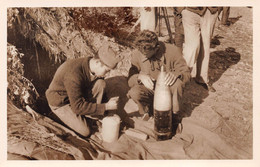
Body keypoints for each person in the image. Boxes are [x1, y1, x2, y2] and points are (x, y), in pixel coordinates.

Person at [45, 43, 121, 137]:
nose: (106, 74)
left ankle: (89, 115)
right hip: (60, 102)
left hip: (75, 96)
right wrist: (106, 107)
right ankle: (55, 115)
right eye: (106, 71)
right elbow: (77, 107)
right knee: (85, 131)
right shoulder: (73, 74)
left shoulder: (89, 64)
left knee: (100, 83)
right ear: (97, 62)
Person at [127, 30, 190, 123]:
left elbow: (187, 74)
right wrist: (139, 77)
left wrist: (176, 74)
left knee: (177, 84)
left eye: (147, 54)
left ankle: (174, 115)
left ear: (156, 48)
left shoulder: (173, 51)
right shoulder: (137, 53)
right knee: (134, 92)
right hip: (150, 90)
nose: (144, 56)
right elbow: (130, 79)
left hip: (167, 92)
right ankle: (147, 111)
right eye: (142, 53)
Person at [179, 7, 222, 92]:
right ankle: (181, 76)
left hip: (210, 11)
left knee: (205, 46)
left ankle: (202, 78)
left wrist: (218, 8)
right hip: (189, 10)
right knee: (192, 46)